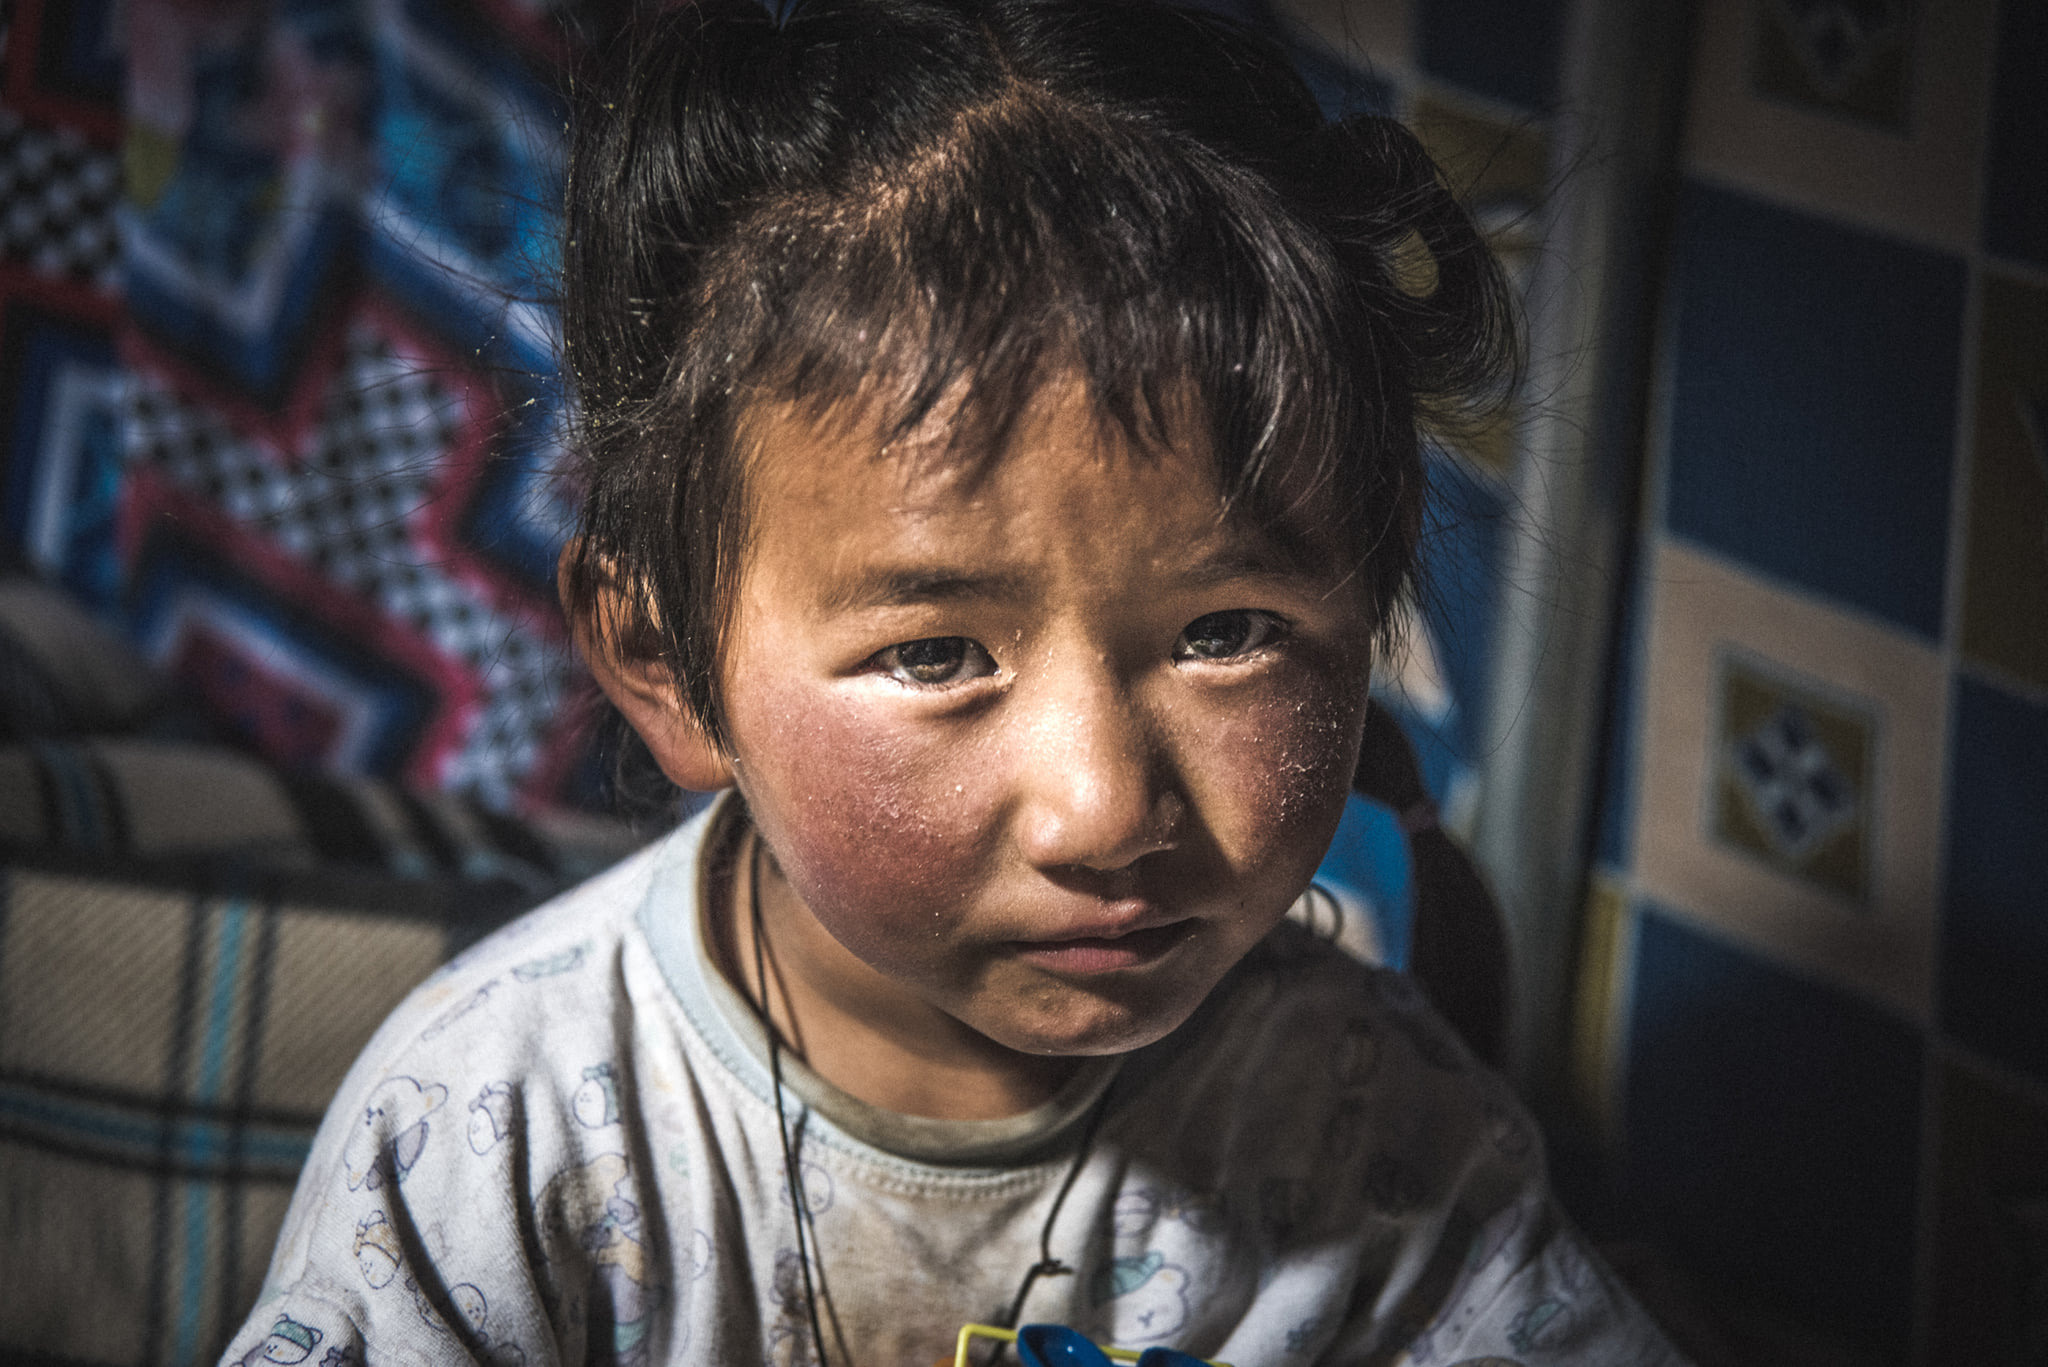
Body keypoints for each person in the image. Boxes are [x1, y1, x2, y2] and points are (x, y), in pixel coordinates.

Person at [221, 2, 1684, 1363]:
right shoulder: (495, 1142)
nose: (1104, 810)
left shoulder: (1382, 1136)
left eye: (1228, 631)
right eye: (935, 654)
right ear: (667, 662)